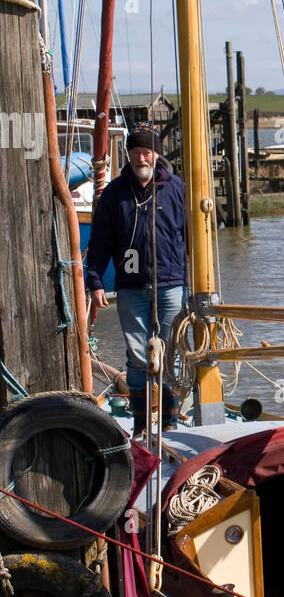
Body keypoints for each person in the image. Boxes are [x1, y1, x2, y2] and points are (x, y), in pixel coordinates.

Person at [86, 123, 186, 435]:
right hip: (131, 287)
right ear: (128, 155)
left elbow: (193, 235)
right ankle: (142, 425)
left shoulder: (178, 189)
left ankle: (169, 423)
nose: (140, 158)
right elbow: (101, 240)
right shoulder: (115, 193)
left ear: (156, 154)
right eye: (135, 153)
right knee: (138, 357)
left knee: (171, 354)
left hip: (172, 284)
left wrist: (197, 283)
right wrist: (96, 280)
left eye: (145, 152)